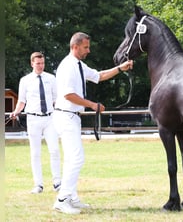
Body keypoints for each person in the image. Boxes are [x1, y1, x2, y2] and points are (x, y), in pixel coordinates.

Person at [52, 32, 133, 214]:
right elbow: (68, 94)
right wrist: (92, 105)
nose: (88, 50)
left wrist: (120, 68)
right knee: (76, 158)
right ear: (75, 46)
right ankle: (62, 199)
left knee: (72, 159)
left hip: (72, 117)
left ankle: (70, 197)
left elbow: (99, 75)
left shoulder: (79, 65)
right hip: (66, 116)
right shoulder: (67, 66)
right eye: (86, 47)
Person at [10, 52, 61, 194]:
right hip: (33, 119)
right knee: (35, 153)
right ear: (32, 63)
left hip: (50, 118)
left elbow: (56, 99)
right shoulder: (25, 80)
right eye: (38, 63)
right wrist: (16, 111)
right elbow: (21, 101)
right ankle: (38, 185)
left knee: (55, 150)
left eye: (42, 63)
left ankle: (57, 182)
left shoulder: (51, 78)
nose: (40, 66)